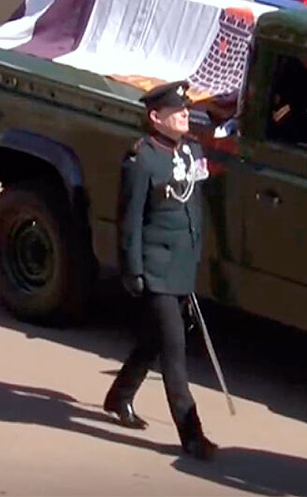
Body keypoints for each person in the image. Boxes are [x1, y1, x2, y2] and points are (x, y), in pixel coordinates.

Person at [103, 79, 217, 461]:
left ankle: (119, 396)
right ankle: (192, 434)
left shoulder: (190, 151)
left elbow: (194, 207)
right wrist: (132, 269)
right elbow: (130, 219)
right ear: (155, 117)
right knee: (174, 350)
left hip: (182, 265)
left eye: (185, 109)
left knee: (154, 340)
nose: (186, 114)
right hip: (156, 267)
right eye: (177, 111)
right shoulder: (141, 160)